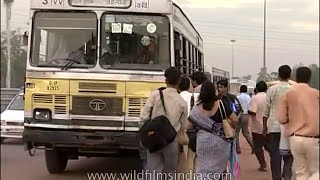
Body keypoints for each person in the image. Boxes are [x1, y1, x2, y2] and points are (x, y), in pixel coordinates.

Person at [140, 67, 188, 176]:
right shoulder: (182, 102)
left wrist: (144, 133)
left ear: (165, 80)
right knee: (169, 173)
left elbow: (143, 117)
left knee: (153, 173)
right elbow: (183, 126)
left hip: (153, 139)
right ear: (179, 81)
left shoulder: (155, 95)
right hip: (171, 141)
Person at [188, 81, 238, 179]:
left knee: (203, 168)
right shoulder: (221, 104)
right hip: (221, 143)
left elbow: (188, 126)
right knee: (219, 170)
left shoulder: (196, 108)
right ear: (213, 92)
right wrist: (230, 126)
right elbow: (235, 120)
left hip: (203, 143)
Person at [277, 67, 319, 180]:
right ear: (310, 78)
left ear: (295, 77)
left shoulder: (287, 94)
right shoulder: (317, 94)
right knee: (316, 171)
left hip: (295, 138)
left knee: (301, 172)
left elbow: (281, 118)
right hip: (313, 138)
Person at [263, 65, 293, 180]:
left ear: (278, 75)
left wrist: (264, 127)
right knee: (289, 154)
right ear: (289, 76)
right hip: (289, 127)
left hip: (274, 127)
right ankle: (287, 174)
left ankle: (276, 177)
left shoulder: (272, 89)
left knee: (275, 154)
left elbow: (266, 110)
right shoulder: (293, 90)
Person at [178, 76, 199, 172]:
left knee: (182, 158)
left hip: (180, 131)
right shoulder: (196, 96)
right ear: (189, 85)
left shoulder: (177, 97)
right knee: (192, 157)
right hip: (193, 130)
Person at [248, 81, 269, 171]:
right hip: (269, 126)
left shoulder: (255, 98)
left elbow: (253, 111)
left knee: (258, 147)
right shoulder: (269, 97)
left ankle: (263, 164)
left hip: (257, 126)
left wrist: (247, 111)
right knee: (270, 146)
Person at [236, 85, 254, 154]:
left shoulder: (239, 97)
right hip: (247, 115)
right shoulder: (249, 97)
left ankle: (238, 149)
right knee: (246, 132)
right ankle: (253, 146)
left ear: (240, 90)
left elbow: (237, 107)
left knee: (236, 133)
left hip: (240, 114)